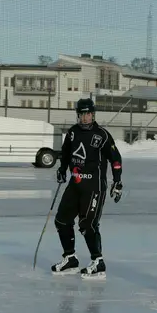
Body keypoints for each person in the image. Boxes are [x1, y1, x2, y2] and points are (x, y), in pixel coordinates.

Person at [51, 98, 123, 280]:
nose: (85, 118)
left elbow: (115, 159)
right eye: (82, 114)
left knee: (87, 224)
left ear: (93, 115)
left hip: (94, 187)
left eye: (88, 114)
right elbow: (66, 153)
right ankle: (70, 258)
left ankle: (98, 262)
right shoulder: (73, 132)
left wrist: (117, 181)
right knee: (61, 220)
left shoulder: (102, 135)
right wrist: (61, 169)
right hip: (75, 183)